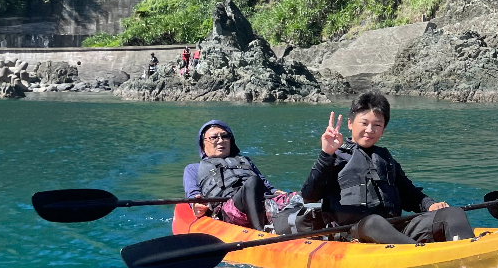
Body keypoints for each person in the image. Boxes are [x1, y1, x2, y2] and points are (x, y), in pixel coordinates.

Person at [301, 90, 474, 244]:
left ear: (383, 129)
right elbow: (309, 196)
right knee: (373, 222)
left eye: (377, 125)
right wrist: (326, 154)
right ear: (350, 123)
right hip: (355, 234)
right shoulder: (335, 157)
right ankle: (416, 257)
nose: (370, 130)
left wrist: (430, 205)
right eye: (364, 123)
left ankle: (465, 256)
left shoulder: (385, 159)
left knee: (453, 213)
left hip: (395, 230)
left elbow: (411, 195)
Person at [183, 121, 275, 231]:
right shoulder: (193, 168)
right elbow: (193, 195)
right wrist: (196, 205)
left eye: (225, 136)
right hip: (228, 208)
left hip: (265, 202)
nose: (221, 140)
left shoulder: (246, 161)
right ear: (202, 144)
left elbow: (268, 186)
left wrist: (282, 194)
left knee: (296, 196)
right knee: (252, 182)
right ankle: (261, 232)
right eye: (214, 137)